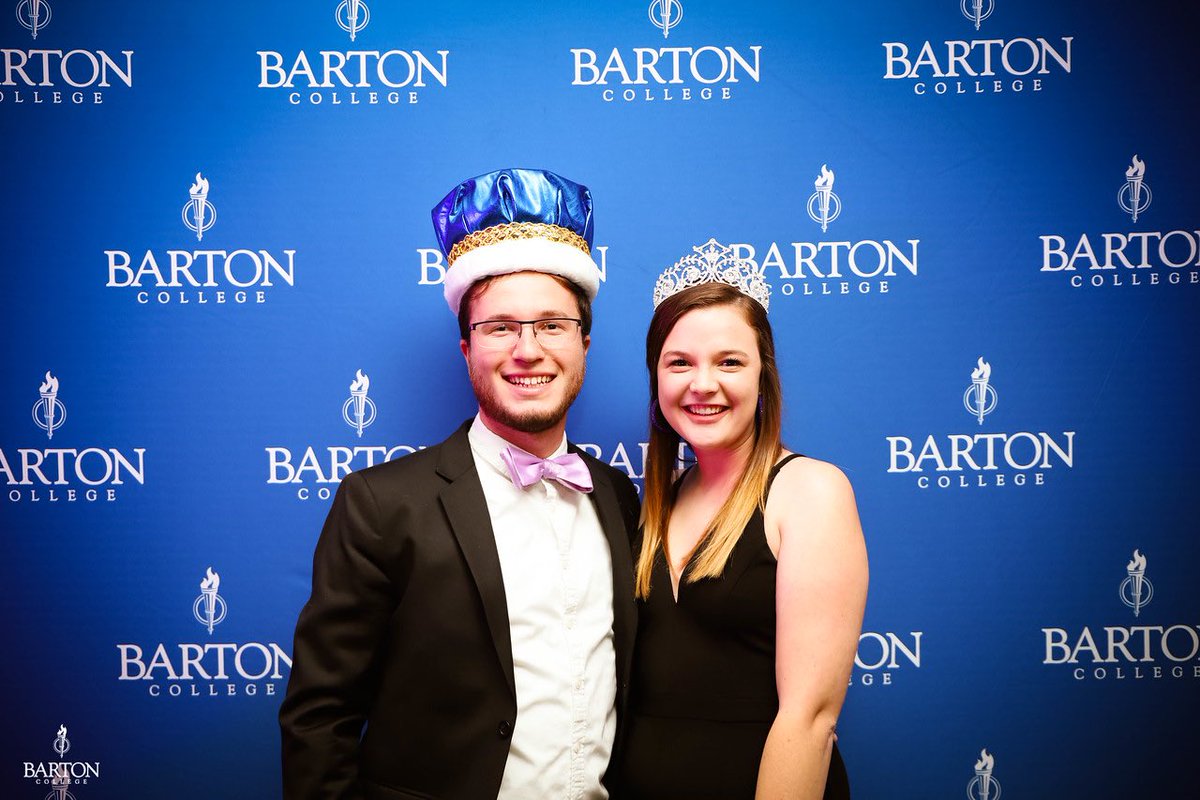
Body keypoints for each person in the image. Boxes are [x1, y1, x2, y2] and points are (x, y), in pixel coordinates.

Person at [279, 168, 640, 800]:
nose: (527, 349)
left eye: (552, 325)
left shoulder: (618, 497)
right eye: (499, 327)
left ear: (584, 342)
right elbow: (320, 718)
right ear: (466, 349)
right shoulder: (382, 505)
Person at [616, 239, 868, 799]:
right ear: (657, 380)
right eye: (679, 362)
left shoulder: (808, 491)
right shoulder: (662, 500)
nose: (702, 384)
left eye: (729, 361)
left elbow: (810, 720)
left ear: (763, 375)